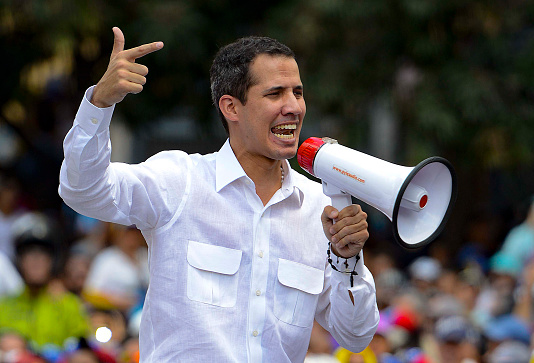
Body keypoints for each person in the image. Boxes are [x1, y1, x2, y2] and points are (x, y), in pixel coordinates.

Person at [59, 27, 379, 362]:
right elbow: (83, 191)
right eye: (275, 94)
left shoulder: (320, 207)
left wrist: (347, 260)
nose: (293, 107)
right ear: (231, 107)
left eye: (297, 93)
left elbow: (355, 337)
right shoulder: (180, 180)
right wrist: (99, 104)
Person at [0, 213, 89, 354]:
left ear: (53, 261)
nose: (36, 261)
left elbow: (83, 352)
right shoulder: (4, 306)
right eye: (29, 254)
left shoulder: (69, 305)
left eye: (43, 254)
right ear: (19, 261)